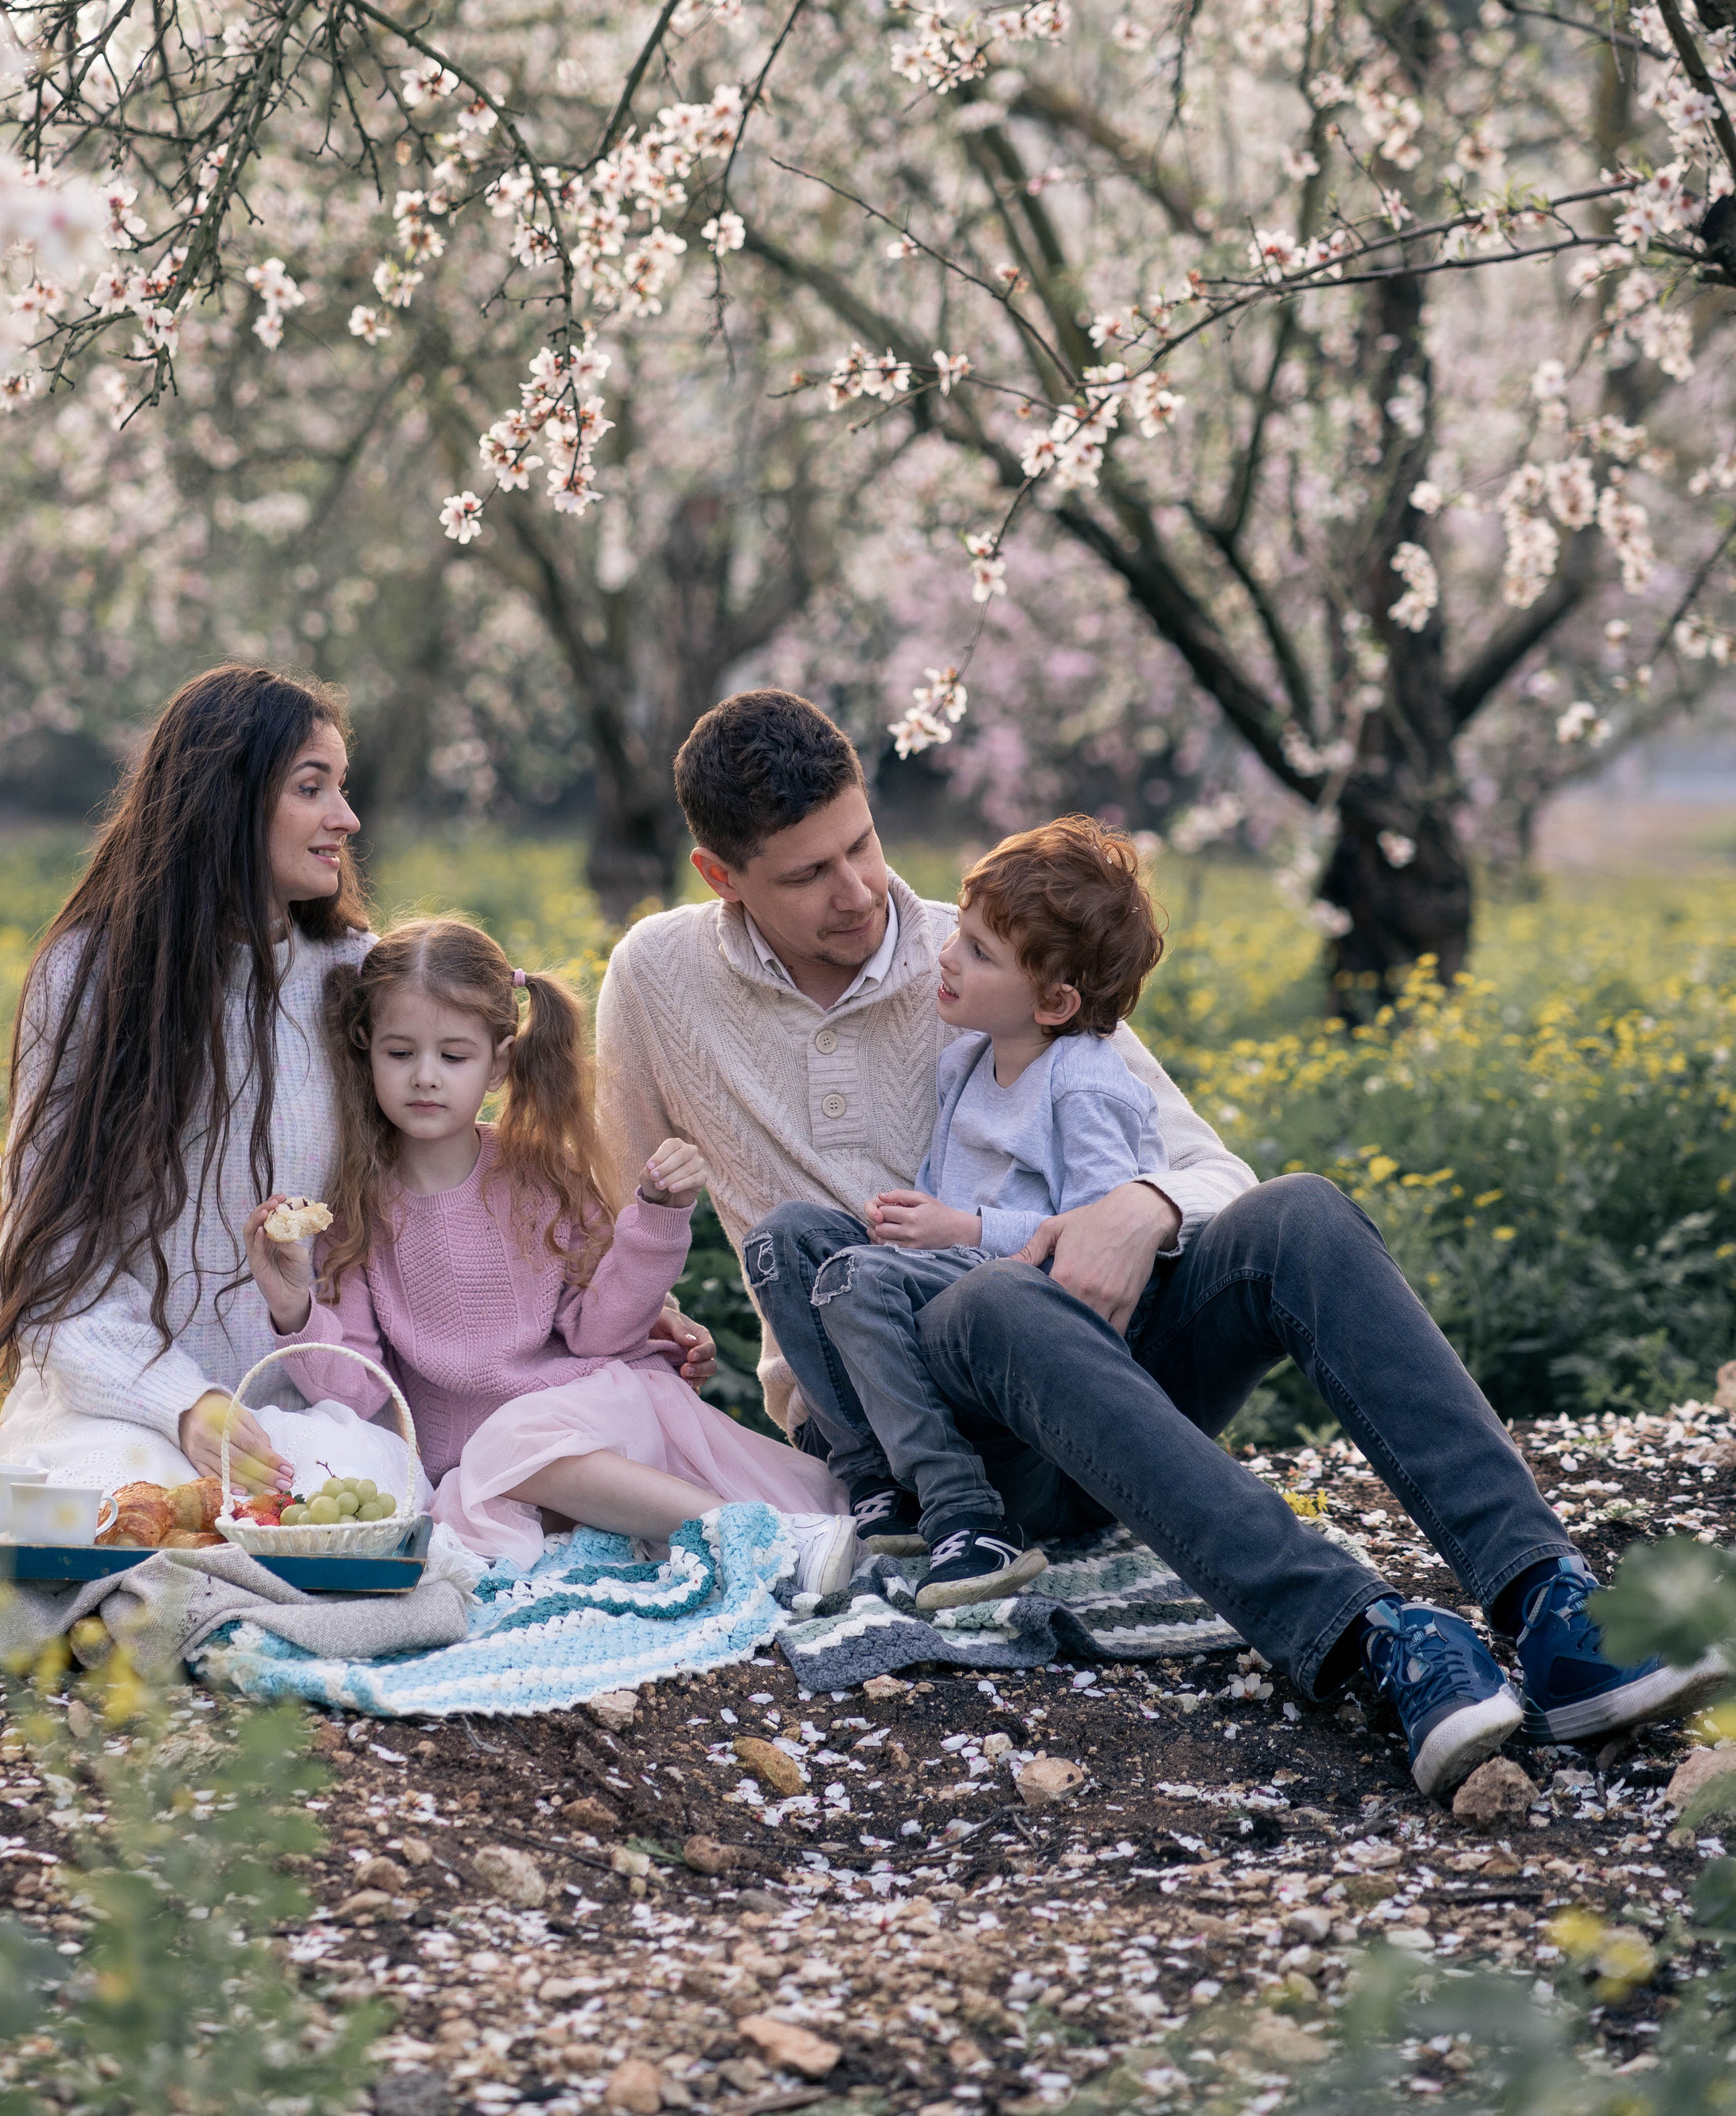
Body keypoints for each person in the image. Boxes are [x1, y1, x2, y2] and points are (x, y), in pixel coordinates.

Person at [597, 689, 1726, 1794]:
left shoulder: (993, 955)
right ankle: (1369, 1641)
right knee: (989, 1301)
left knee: (1302, 1212)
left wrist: (1142, 1207)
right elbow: (604, 1202)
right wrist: (642, 1327)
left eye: (864, 845)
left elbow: (1208, 1171)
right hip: (925, 1445)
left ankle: (1546, 1599)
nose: (858, 892)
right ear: (722, 879)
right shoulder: (659, 979)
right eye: (807, 875)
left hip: (1097, 1385)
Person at [0, 664, 717, 1515]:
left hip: (320, 1413)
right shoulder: (89, 977)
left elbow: (459, 1185)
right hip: (130, 1406)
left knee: (360, 1519)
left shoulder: (348, 978)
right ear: (228, 799)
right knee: (140, 1514)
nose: (346, 819)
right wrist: (182, 1403)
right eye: (312, 787)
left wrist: (616, 1292)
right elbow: (54, 1269)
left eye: (342, 788)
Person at [245, 916, 856, 1584]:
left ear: (499, 1063)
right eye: (400, 1054)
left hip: (591, 1411)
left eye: (453, 1056)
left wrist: (659, 1218)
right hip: (489, 1471)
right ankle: (747, 1536)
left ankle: (763, 1538)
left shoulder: (539, 1174)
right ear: (366, 1051)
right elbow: (361, 1392)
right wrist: (294, 1307)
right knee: (501, 1463)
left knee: (515, 1441)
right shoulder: (355, 1211)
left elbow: (599, 1334)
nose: (425, 1077)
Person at [762, 814, 1171, 1613]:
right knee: (785, 1242)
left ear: (1053, 1001)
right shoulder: (966, 1063)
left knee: (850, 1279)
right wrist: (918, 1225)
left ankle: (966, 1513)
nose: (947, 953)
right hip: (944, 1279)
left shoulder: (1083, 1082)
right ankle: (874, 1477)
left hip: (1013, 1305)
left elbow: (1092, 1239)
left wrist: (965, 1230)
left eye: (979, 951)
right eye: (962, 929)